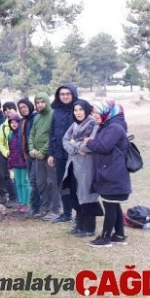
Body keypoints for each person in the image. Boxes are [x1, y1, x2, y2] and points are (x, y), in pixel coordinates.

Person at [83, 99, 132, 248]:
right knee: (113, 205)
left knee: (110, 206)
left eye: (97, 112)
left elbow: (103, 147)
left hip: (113, 174)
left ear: (107, 112)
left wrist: (89, 142)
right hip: (111, 171)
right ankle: (119, 235)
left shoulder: (115, 127)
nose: (94, 115)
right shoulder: (109, 124)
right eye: (93, 113)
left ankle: (105, 238)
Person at [61, 99, 101, 238]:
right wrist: (76, 149)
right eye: (75, 110)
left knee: (87, 196)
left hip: (87, 166)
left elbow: (89, 146)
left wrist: (74, 143)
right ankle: (79, 225)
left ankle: (89, 228)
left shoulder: (93, 125)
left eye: (81, 110)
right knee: (75, 194)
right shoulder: (74, 125)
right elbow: (64, 140)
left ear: (86, 110)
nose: (78, 113)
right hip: (73, 165)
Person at [47, 84, 79, 224]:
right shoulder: (57, 112)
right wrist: (51, 154)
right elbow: (52, 134)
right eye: (62, 94)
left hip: (75, 155)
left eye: (68, 93)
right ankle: (66, 213)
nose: (65, 96)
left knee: (76, 185)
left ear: (73, 94)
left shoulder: (79, 110)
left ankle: (80, 215)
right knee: (62, 184)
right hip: (59, 154)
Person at [28, 93, 61, 221]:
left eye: (42, 102)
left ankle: (55, 210)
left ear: (47, 102)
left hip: (49, 155)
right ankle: (45, 208)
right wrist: (31, 149)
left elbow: (53, 136)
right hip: (37, 155)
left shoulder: (53, 115)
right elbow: (32, 134)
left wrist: (43, 150)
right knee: (40, 182)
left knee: (52, 182)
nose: (40, 104)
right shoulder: (37, 118)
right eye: (37, 102)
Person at [18, 98, 40, 218]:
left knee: (34, 181)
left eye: (25, 107)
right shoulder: (23, 121)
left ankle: (37, 208)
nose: (23, 109)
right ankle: (35, 207)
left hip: (36, 154)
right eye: (21, 108)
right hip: (27, 155)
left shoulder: (35, 118)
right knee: (32, 181)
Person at [5, 113, 29, 212]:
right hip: (15, 163)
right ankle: (20, 202)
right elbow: (10, 150)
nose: (14, 124)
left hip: (23, 162)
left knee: (25, 183)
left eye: (15, 122)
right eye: (11, 123)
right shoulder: (10, 134)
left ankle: (26, 203)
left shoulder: (22, 133)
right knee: (18, 183)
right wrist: (10, 164)